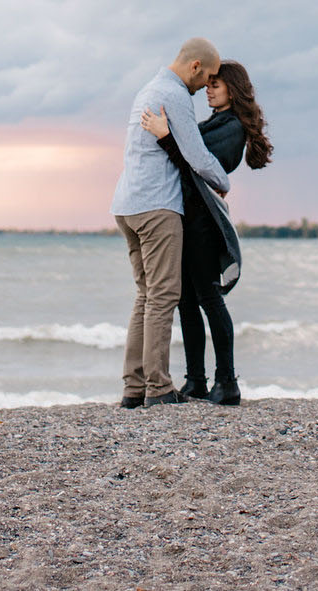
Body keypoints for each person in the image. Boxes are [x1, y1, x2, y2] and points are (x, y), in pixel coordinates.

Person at [141, 59, 272, 405]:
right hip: (189, 214)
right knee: (186, 300)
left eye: (216, 84)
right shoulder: (218, 121)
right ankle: (196, 380)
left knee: (209, 298)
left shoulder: (231, 127)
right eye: (208, 84)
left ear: (233, 89)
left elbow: (191, 159)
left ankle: (227, 381)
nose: (209, 90)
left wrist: (166, 136)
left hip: (203, 220)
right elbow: (191, 154)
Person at [111, 38, 232, 408]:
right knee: (164, 296)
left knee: (146, 295)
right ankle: (159, 387)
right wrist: (223, 182)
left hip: (126, 204)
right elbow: (197, 155)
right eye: (207, 77)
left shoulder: (148, 88)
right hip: (156, 206)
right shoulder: (174, 94)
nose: (204, 87)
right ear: (195, 66)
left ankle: (134, 387)